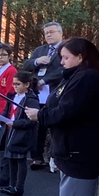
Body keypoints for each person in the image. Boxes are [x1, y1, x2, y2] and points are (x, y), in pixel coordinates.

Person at [26, 38, 99, 196]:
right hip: (69, 151)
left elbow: (67, 111)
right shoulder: (74, 77)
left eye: (66, 57)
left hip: (79, 153)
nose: (62, 62)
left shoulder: (88, 78)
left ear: (80, 57)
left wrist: (40, 116)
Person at [22, 22, 64, 170]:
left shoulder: (65, 49)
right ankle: (37, 157)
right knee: (38, 126)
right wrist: (36, 61)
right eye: (46, 33)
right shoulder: (40, 50)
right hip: (38, 94)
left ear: (60, 33)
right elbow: (26, 65)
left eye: (52, 32)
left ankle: (55, 158)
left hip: (55, 92)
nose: (49, 35)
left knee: (54, 127)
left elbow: (63, 70)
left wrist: (45, 80)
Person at [0, 70, 40, 196]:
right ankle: (12, 185)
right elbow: (8, 111)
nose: (15, 86)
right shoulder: (12, 96)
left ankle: (19, 187)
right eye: (14, 84)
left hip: (23, 133)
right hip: (11, 131)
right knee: (11, 158)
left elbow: (32, 121)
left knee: (20, 159)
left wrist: (15, 123)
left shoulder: (31, 99)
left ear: (27, 84)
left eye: (18, 84)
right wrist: (1, 118)